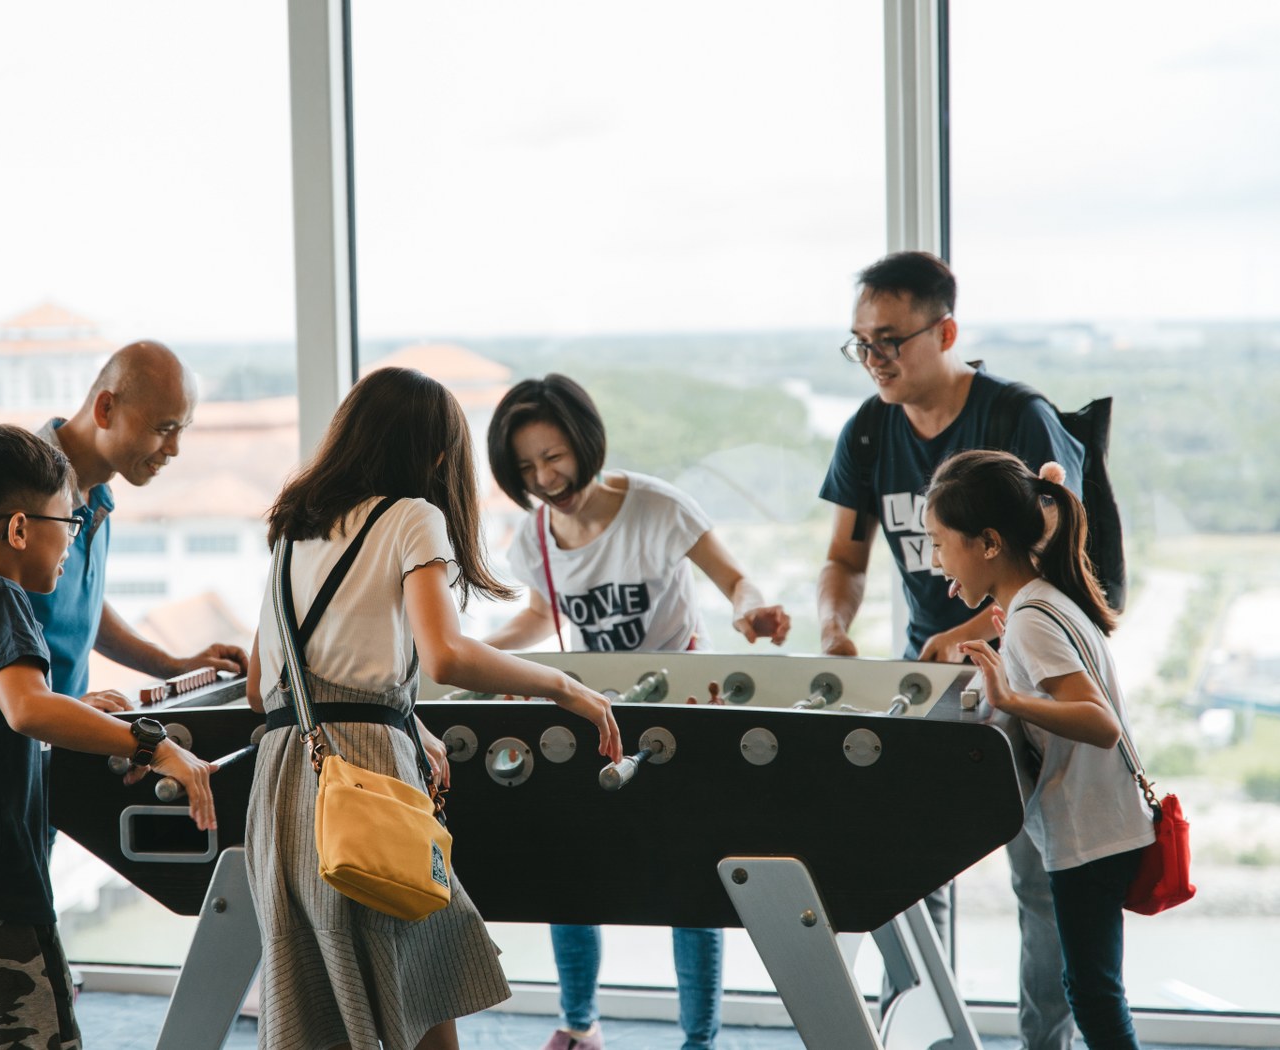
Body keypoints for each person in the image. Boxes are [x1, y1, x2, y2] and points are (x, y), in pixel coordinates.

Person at [243, 367, 623, 1050]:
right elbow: (445, 655)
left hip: (282, 778)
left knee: (322, 994)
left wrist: (406, 721)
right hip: (364, 775)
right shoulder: (413, 517)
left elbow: (263, 686)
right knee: (413, 972)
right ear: (438, 454)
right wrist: (563, 687)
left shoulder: (291, 527)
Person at [0, 424, 218, 1049]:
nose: (74, 538)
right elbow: (27, 712)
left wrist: (75, 708)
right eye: (69, 521)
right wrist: (153, 745)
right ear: (19, 529)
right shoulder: (4, 602)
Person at [816, 251, 1083, 1049]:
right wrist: (833, 626)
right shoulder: (867, 430)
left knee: (1040, 885)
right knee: (912, 873)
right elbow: (842, 559)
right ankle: (930, 1035)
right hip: (927, 681)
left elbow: (1063, 558)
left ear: (946, 331)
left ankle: (1047, 1042)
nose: (873, 359)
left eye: (890, 340)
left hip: (1029, 673)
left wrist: (966, 633)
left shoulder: (1015, 418)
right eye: (860, 342)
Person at [484, 373, 791, 1050]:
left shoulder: (655, 507)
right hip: (593, 710)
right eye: (527, 466)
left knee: (691, 881)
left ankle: (698, 1040)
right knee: (571, 871)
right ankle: (578, 1024)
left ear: (584, 441)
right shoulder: (533, 535)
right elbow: (541, 615)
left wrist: (750, 612)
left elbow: (733, 580)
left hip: (680, 708)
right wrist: (468, 652)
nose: (545, 477)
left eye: (554, 457)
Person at [926, 449, 1153, 1050]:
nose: (935, 559)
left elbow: (1097, 722)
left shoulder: (1031, 619)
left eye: (940, 542)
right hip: (1101, 823)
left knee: (1094, 995)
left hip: (1089, 831)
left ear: (989, 543)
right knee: (1093, 988)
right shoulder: (1038, 601)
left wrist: (1009, 696)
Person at [0, 340, 246, 709]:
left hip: (52, 741)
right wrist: (56, 708)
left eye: (182, 429)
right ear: (105, 409)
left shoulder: (96, 497)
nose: (174, 448)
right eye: (164, 428)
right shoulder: (1, 492)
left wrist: (172, 665)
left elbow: (77, 611)